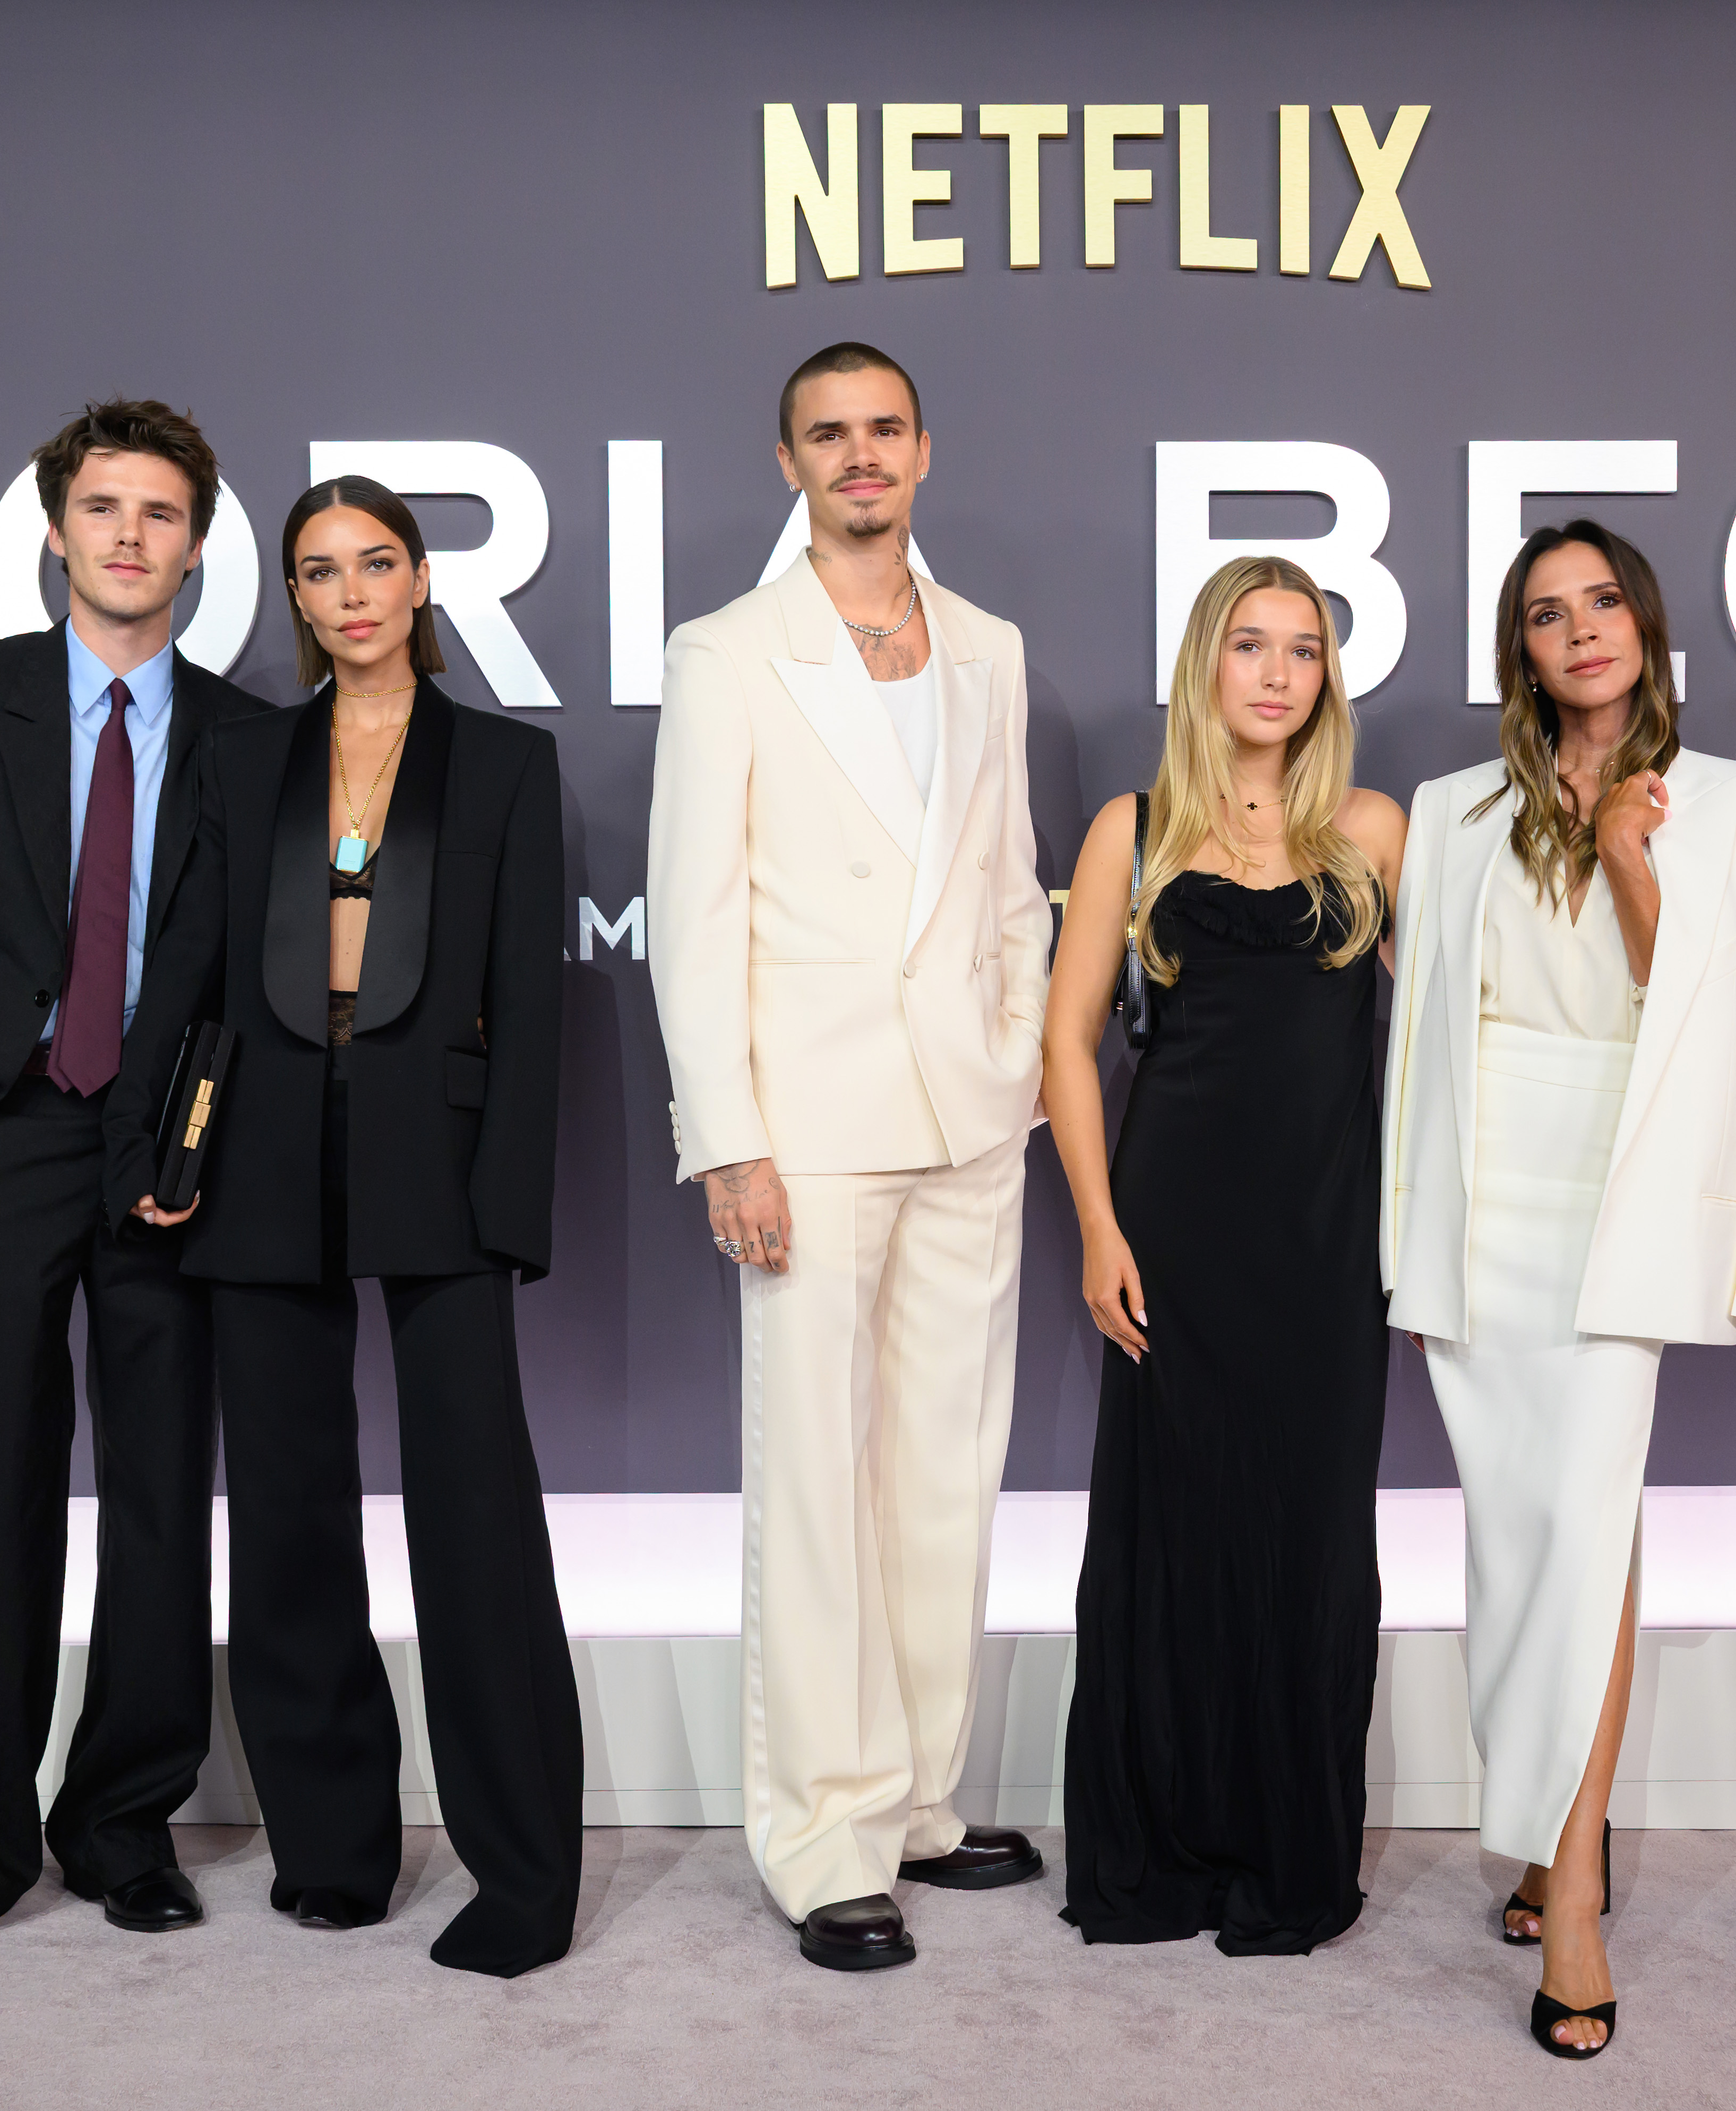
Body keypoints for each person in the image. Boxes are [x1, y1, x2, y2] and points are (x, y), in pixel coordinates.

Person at [101, 475, 581, 1978]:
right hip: (255, 1153)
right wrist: (153, 1148)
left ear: (423, 581)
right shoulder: (245, 760)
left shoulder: (504, 763)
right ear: (295, 600)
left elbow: (531, 1002)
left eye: (377, 562)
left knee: (475, 1521)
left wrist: (510, 1205)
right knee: (293, 1521)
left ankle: (522, 1872)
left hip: (434, 1159)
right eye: (321, 571)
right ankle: (331, 1850)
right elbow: (182, 967)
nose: (352, 591)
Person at [1383, 520, 1736, 2056]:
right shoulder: (1452, 811)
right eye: (1543, 614)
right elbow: (1420, 1046)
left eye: (1599, 604)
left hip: (1619, 1198)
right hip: (1480, 1204)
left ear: (1645, 624)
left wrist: (1635, 858)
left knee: (1579, 1523)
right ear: (1518, 648)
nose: (1577, 631)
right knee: (1527, 1538)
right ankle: (1529, 1827)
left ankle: (1567, 1885)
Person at [0, 400, 264, 1970]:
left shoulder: (241, 734)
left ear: (198, 543)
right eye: (104, 509)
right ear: (58, 530)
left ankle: (123, 1823)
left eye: (160, 513)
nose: (131, 535)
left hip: (165, 1158)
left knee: (158, 1499)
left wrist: (203, 1144)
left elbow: (248, 988)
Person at [645, 343, 1053, 1972]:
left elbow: (1012, 878)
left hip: (969, 1116)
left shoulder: (991, 648)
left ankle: (919, 1799)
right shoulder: (729, 651)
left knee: (945, 1467)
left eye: (883, 430)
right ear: (789, 461)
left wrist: (1019, 1065)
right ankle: (822, 1833)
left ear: (924, 451)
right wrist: (726, 1138)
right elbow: (695, 910)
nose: (860, 455)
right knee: (815, 1479)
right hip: (803, 1131)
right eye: (830, 434)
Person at [1043, 555, 1406, 1956]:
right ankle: (1163, 1852)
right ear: (1202, 665)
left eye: (1300, 648)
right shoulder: (1127, 832)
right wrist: (1096, 1225)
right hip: (1171, 1237)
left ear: (1326, 675)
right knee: (1170, 1537)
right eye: (1246, 644)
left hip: (1325, 1249)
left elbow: (1446, 1043)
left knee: (1311, 1543)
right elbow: (1068, 1046)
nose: (1273, 671)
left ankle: (1284, 1848)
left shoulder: (1371, 829)